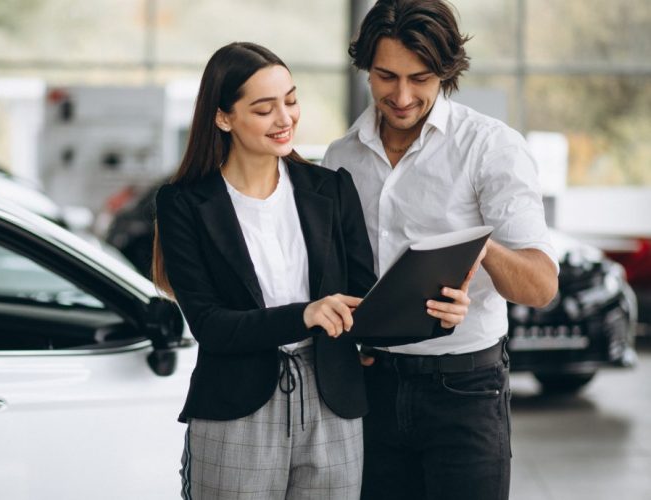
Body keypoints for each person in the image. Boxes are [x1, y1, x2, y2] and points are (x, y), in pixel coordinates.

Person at [152, 41, 472, 500]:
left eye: (291, 100)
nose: (285, 119)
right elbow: (210, 325)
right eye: (264, 109)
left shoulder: (330, 189)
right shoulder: (184, 204)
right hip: (235, 408)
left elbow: (365, 301)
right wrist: (305, 313)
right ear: (224, 117)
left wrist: (436, 314)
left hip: (333, 401)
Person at [322, 1, 560, 499]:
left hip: (465, 391)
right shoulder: (341, 157)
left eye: (421, 78)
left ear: (446, 72)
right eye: (386, 76)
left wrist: (475, 248)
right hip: (372, 388)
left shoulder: (491, 147)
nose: (402, 95)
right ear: (366, 67)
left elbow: (540, 287)